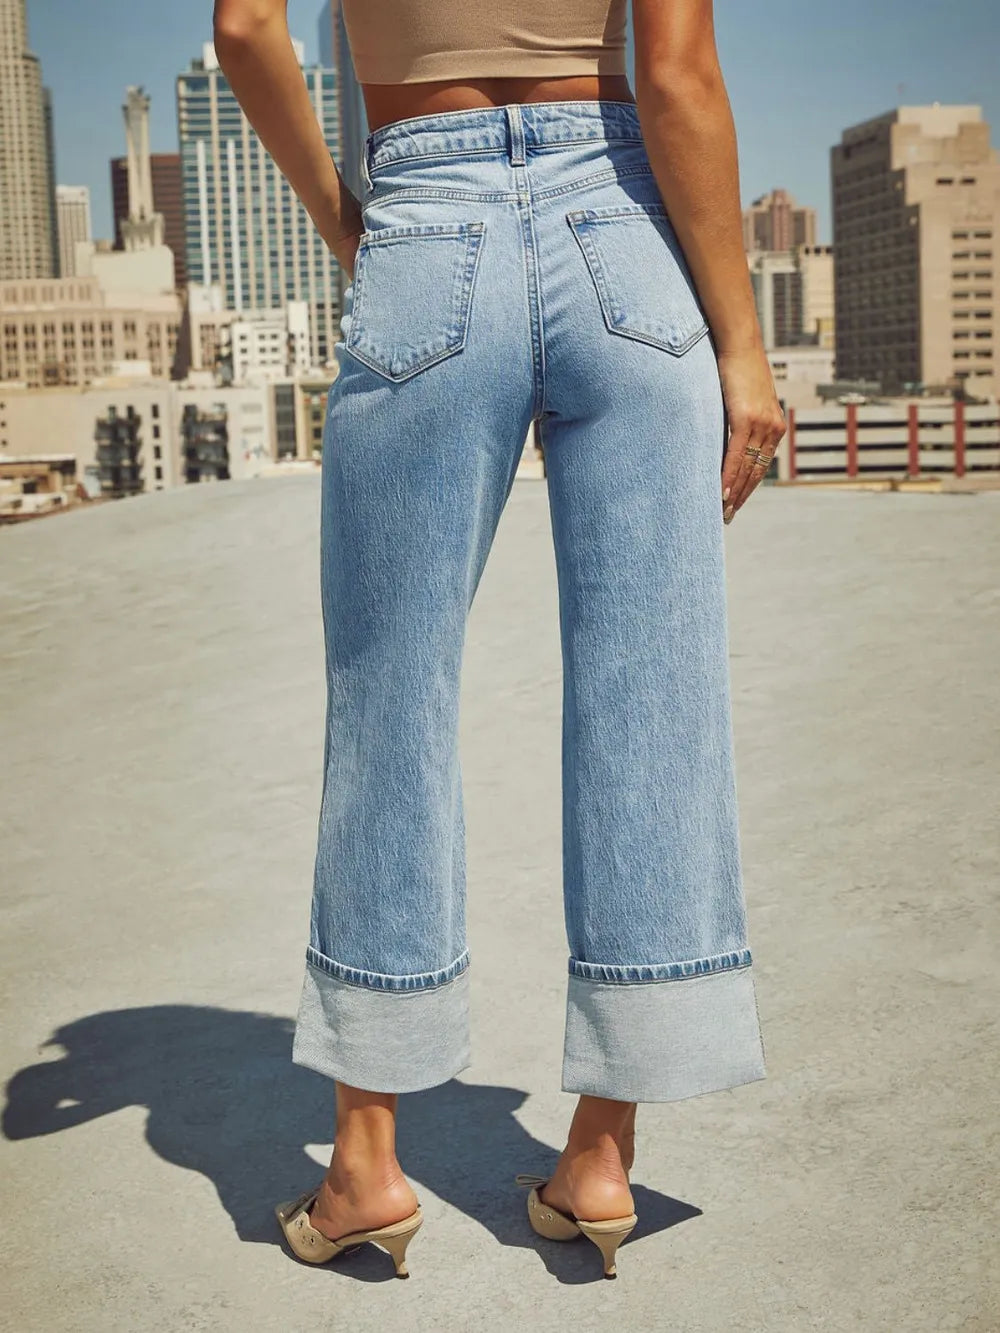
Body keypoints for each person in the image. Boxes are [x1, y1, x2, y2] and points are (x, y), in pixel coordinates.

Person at [213, 0, 785, 1280]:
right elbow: (678, 73)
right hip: (624, 234)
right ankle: (600, 1157)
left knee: (389, 709)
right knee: (651, 701)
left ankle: (365, 1168)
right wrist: (743, 351)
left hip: (428, 224)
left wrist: (351, 223)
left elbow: (246, 26)